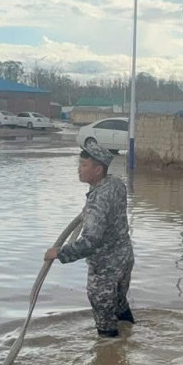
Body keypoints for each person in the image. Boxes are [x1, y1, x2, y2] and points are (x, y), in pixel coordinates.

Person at [45, 139, 137, 337]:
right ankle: (130, 342)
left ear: (98, 170)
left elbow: (90, 241)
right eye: (79, 164)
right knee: (120, 307)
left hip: (105, 268)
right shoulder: (116, 184)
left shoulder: (97, 201)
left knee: (105, 324)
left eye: (84, 165)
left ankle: (110, 360)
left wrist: (59, 253)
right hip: (124, 260)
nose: (79, 169)